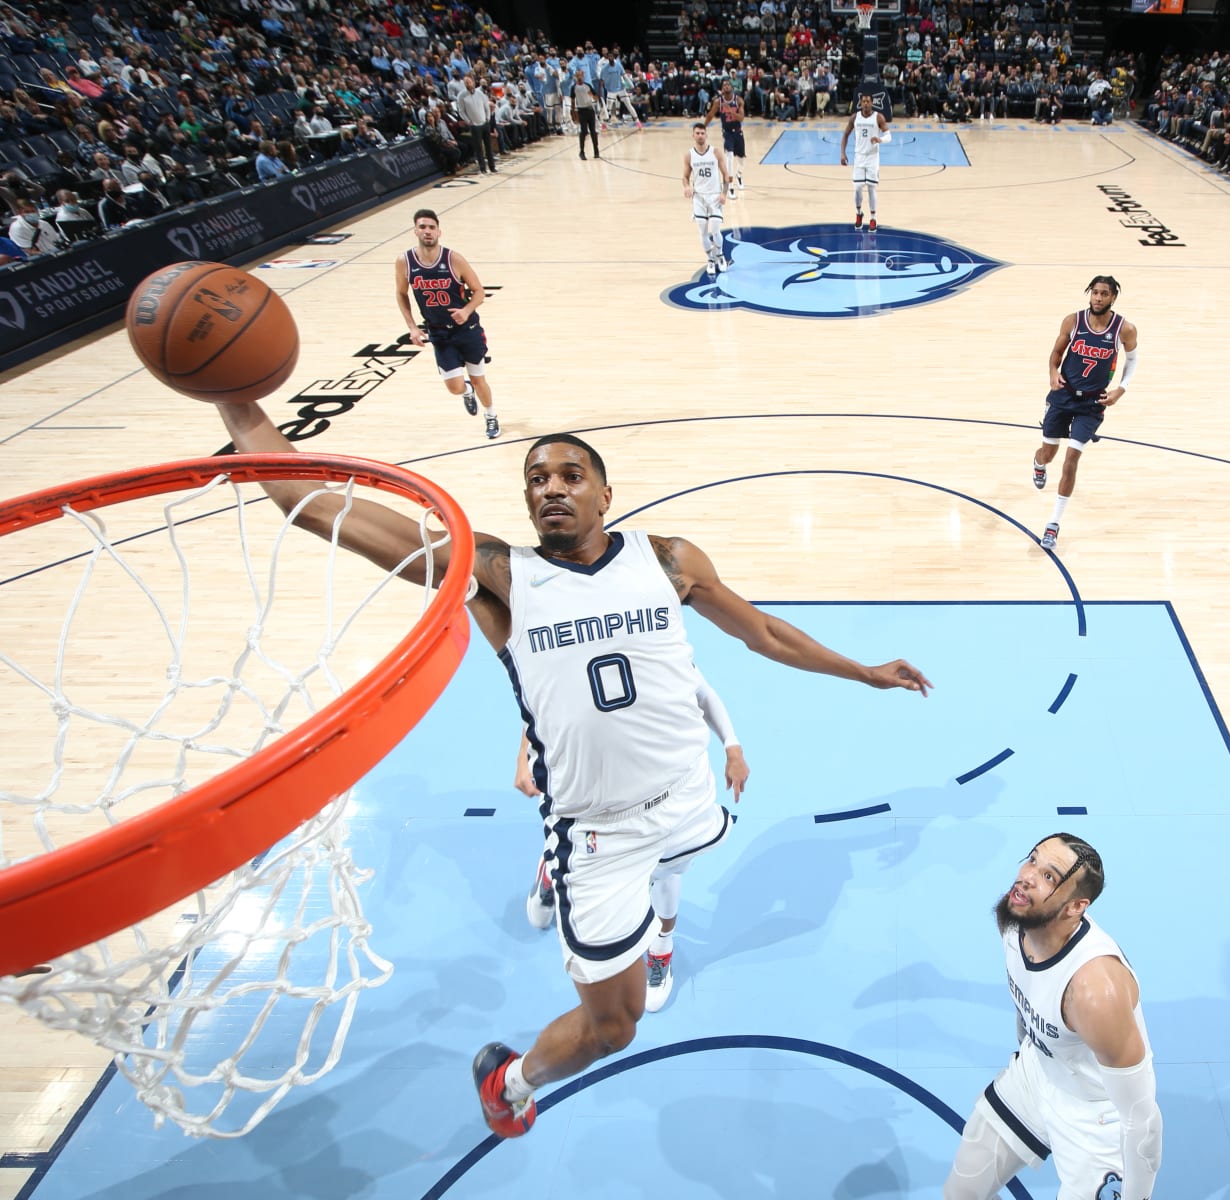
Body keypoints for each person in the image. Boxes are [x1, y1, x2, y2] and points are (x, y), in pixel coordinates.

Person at [203, 406, 932, 1141]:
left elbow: (765, 632)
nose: (551, 488)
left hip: (685, 799)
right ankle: (507, 1078)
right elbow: (314, 505)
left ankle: (642, 918)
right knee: (616, 1027)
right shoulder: (499, 574)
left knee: (685, 866)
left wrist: (865, 673)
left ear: (605, 495)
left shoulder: (671, 560)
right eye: (535, 480)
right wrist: (237, 404)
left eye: (570, 476)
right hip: (598, 837)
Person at [944, 834, 1161, 1200]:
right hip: (1037, 1073)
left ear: (1076, 906)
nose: (1028, 876)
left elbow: (1142, 1118)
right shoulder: (1015, 923)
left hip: (1095, 1114)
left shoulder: (1094, 993)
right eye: (1032, 859)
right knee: (961, 1193)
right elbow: (1027, 997)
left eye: (1049, 876)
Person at [517, 668, 746, 1014]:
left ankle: (661, 950)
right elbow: (538, 694)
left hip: (654, 787)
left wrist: (732, 747)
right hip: (590, 782)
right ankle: (553, 872)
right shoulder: (569, 651)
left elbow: (702, 692)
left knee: (667, 868)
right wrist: (524, 755)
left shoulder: (654, 649)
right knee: (576, 844)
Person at [1030, 276, 1140, 551]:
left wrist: (1121, 389)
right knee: (1050, 454)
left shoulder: (1124, 328)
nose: (1098, 298)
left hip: (1092, 404)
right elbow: (1056, 352)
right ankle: (1038, 462)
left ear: (1113, 297)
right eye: (1095, 293)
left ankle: (1053, 525)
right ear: (1089, 295)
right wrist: (1053, 373)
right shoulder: (1073, 321)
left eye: (1104, 294)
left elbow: (1133, 359)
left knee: (1072, 458)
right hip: (1063, 397)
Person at [395, 209, 500, 439]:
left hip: (467, 330)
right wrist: (412, 326)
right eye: (422, 227)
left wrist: (466, 310)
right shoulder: (405, 261)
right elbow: (401, 294)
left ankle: (491, 415)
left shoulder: (454, 259)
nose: (427, 231)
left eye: (431, 227)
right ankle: (466, 392)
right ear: (415, 231)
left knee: (478, 377)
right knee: (454, 387)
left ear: (439, 232)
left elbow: (479, 292)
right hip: (439, 333)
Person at [683, 121, 730, 276]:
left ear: (706, 135)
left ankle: (720, 255)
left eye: (702, 133)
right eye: (697, 133)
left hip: (715, 196)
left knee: (715, 230)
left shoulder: (715, 152)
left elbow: (726, 175)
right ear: (693, 135)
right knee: (702, 230)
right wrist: (687, 186)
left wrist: (724, 193)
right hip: (699, 198)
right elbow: (684, 177)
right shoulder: (689, 155)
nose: (700, 136)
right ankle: (710, 259)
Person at [840, 93, 890, 231]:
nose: (866, 104)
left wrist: (881, 139)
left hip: (873, 157)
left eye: (868, 101)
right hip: (859, 157)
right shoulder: (854, 117)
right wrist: (843, 153)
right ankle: (858, 213)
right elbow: (845, 135)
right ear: (860, 103)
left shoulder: (878, 117)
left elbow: (889, 135)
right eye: (864, 101)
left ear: (872, 103)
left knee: (871, 187)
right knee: (857, 188)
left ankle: (873, 218)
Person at [705, 79, 747, 198]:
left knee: (741, 160)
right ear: (722, 89)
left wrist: (730, 111)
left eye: (728, 84)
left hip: (738, 133)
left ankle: (739, 175)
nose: (726, 86)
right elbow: (710, 115)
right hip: (727, 133)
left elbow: (741, 118)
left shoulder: (738, 100)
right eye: (724, 85)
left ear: (732, 87)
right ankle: (730, 186)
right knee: (729, 158)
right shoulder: (718, 102)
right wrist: (703, 127)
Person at [572, 75, 599, 159]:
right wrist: (574, 114)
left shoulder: (588, 86)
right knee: (583, 132)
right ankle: (582, 152)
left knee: (593, 132)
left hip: (590, 110)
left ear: (583, 77)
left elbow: (596, 98)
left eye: (581, 76)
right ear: (576, 77)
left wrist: (592, 95)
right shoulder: (574, 87)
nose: (579, 77)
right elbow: (572, 101)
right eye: (578, 76)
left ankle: (596, 150)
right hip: (581, 111)